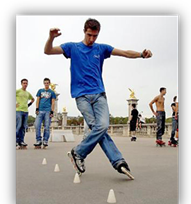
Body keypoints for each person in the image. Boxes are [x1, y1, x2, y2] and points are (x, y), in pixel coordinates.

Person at [44, 18, 152, 179]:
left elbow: (123, 53)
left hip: (100, 94)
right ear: (84, 31)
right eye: (89, 35)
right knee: (97, 126)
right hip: (81, 96)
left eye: (95, 36)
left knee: (102, 126)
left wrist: (141, 55)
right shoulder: (72, 47)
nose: (92, 39)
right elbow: (48, 51)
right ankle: (118, 161)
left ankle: (78, 153)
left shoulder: (101, 49)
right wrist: (51, 37)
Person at [34, 78, 56, 148]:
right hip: (40, 110)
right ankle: (38, 140)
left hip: (47, 111)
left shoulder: (52, 92)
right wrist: (37, 108)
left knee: (47, 126)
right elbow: (37, 100)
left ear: (49, 83)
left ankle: (45, 140)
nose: (46, 84)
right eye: (45, 83)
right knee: (37, 125)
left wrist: (52, 111)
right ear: (44, 83)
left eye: (47, 83)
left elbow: (53, 102)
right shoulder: (40, 91)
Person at [16, 79, 34, 149]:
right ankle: (16, 140)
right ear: (21, 84)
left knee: (23, 127)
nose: (25, 84)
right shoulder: (18, 91)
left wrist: (28, 105)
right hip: (18, 110)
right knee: (18, 126)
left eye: (26, 83)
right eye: (24, 83)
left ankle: (21, 141)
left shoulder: (27, 93)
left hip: (25, 111)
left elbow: (32, 99)